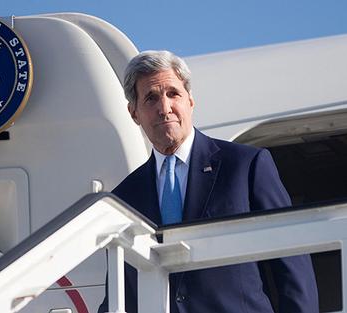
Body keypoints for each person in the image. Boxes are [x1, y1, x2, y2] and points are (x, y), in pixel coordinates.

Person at [98, 50, 318, 313]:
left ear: (190, 100)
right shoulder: (124, 197)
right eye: (151, 98)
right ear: (134, 113)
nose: (164, 108)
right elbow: (120, 293)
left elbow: (293, 265)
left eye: (173, 94)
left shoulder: (245, 166)